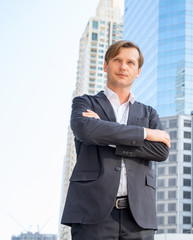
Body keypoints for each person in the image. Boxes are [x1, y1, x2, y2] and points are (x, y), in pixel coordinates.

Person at [61, 40, 170, 240]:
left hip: (138, 218)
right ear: (105, 65)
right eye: (117, 60)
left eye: (130, 62)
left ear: (138, 71)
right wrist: (143, 134)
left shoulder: (149, 113)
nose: (123, 66)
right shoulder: (85, 102)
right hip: (91, 213)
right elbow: (85, 130)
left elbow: (161, 151)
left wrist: (104, 133)